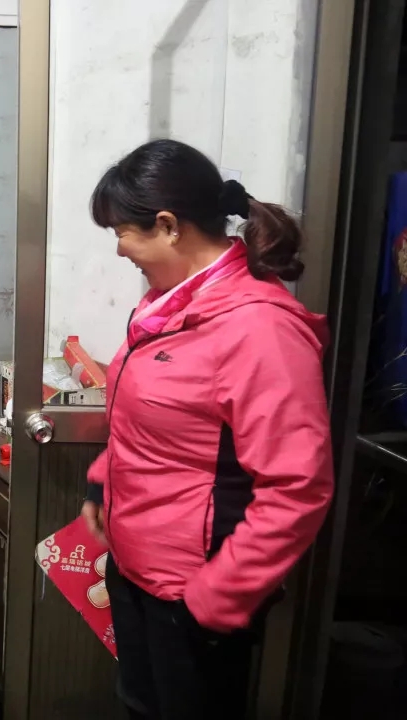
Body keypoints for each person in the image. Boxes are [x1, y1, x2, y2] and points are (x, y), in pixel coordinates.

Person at [80, 139, 334, 720]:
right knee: (139, 705)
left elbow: (298, 487)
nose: (119, 249)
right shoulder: (166, 309)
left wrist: (215, 598)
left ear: (169, 226)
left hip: (192, 592)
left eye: (122, 232)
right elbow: (146, 423)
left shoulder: (259, 329)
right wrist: (102, 481)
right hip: (135, 568)